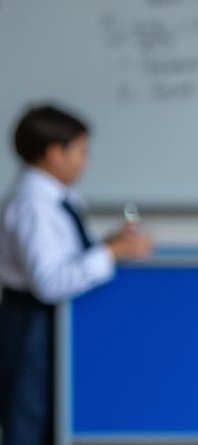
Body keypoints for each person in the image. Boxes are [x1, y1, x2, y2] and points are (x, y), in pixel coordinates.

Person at [0, 104, 153, 445]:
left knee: (53, 415)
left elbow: (64, 258)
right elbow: (49, 282)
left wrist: (107, 245)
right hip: (31, 326)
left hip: (50, 323)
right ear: (55, 153)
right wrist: (111, 252)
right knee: (30, 419)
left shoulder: (59, 198)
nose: (85, 161)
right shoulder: (32, 205)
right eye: (81, 152)